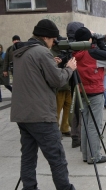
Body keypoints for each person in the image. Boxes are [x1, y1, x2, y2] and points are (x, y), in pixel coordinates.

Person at [10, 19, 76, 190]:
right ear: (46, 37)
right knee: (57, 157)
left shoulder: (21, 51)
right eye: (53, 39)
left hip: (22, 114)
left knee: (28, 157)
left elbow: (33, 74)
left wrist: (51, 64)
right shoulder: (41, 52)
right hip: (40, 115)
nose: (54, 42)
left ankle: (29, 187)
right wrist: (69, 68)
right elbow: (58, 80)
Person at [73, 26, 106, 164]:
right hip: (95, 91)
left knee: (85, 123)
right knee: (94, 124)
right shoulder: (92, 53)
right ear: (89, 40)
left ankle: (86, 154)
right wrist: (101, 42)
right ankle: (94, 156)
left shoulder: (74, 52)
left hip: (81, 90)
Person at [66, 21, 85, 148]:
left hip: (71, 80)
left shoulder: (66, 45)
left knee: (75, 108)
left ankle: (75, 136)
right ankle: (80, 136)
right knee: (81, 108)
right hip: (80, 80)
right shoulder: (80, 46)